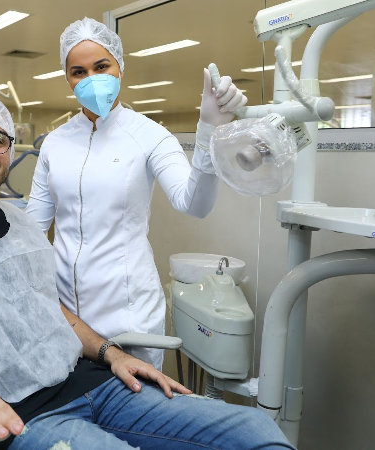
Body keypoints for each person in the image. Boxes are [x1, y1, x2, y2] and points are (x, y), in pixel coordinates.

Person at [0, 92, 292, 450]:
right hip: (22, 420)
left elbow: (50, 309)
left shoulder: (21, 224)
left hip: (102, 388)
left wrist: (111, 353)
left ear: (9, 152)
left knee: (252, 430)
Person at [25, 18, 248, 369]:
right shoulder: (55, 143)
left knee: (135, 416)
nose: (91, 79)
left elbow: (195, 204)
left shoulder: (149, 135)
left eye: (101, 66)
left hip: (129, 317)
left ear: (120, 68)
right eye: (78, 72)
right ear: (67, 78)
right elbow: (32, 229)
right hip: (66, 316)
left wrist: (209, 133)